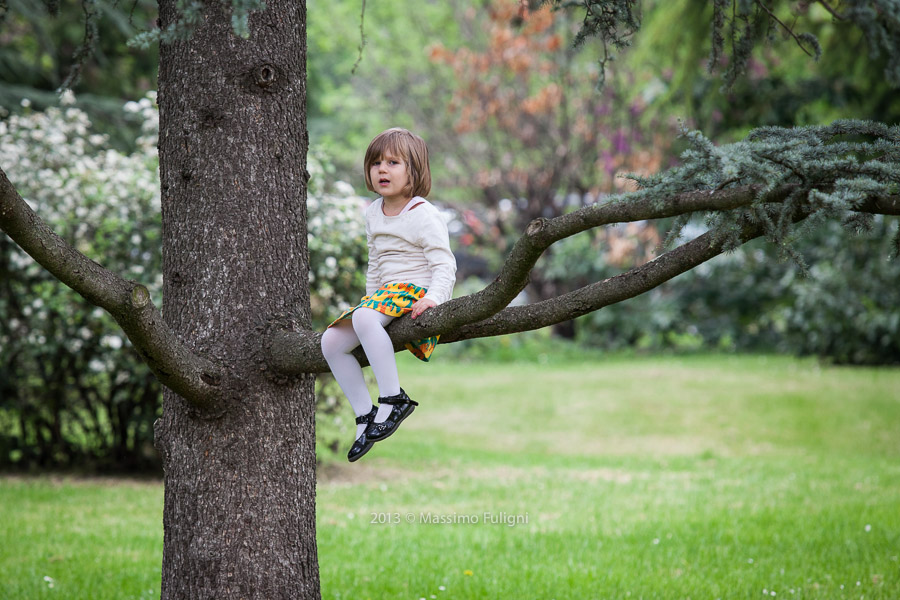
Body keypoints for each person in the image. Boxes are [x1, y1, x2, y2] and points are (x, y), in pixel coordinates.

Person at [320, 128, 457, 463]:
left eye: (393, 162)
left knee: (366, 317)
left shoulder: (422, 212)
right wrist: (368, 307)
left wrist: (435, 299)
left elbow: (444, 263)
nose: (382, 169)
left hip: (415, 292)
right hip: (385, 297)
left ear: (414, 170)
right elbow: (375, 264)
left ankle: (394, 398)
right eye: (376, 162)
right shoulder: (373, 212)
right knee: (330, 342)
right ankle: (365, 415)